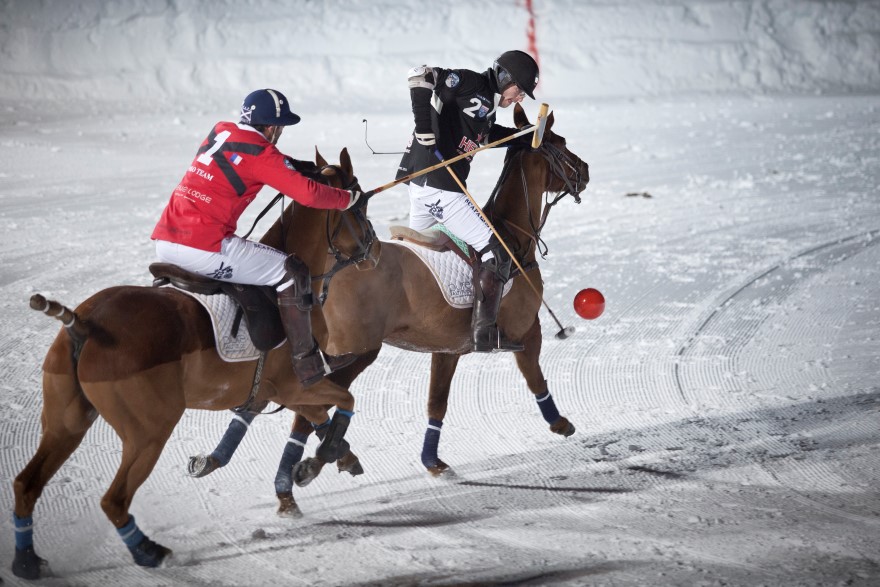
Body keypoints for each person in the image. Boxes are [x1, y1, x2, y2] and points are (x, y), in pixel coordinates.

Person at [152, 88, 370, 387]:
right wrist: (347, 199)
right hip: (203, 247)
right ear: (271, 127)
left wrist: (298, 167)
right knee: (291, 271)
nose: (279, 133)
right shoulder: (263, 154)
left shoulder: (221, 131)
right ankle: (307, 362)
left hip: (166, 242)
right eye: (280, 128)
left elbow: (260, 159)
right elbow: (307, 194)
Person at [396, 50, 540, 352]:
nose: (519, 98)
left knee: (417, 258)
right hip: (441, 188)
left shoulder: (485, 106)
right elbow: (419, 75)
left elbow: (484, 138)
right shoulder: (471, 82)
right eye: (519, 90)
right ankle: (483, 334)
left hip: (421, 185)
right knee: (497, 253)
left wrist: (521, 137)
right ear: (504, 78)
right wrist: (424, 129)